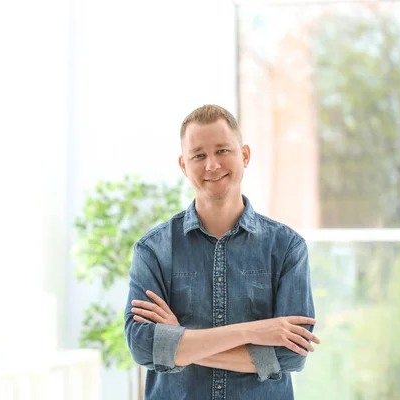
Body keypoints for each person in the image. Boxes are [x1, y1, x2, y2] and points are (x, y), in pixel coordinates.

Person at [124, 104, 319, 400]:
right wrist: (253, 332)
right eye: (198, 155)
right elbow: (143, 347)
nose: (212, 165)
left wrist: (180, 343)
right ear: (183, 165)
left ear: (245, 155)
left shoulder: (288, 247)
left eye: (222, 151)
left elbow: (291, 356)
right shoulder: (153, 250)